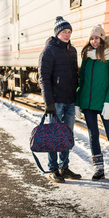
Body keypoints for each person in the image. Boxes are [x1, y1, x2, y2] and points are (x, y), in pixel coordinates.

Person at [75, 24, 109, 185]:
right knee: (93, 136)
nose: (94, 41)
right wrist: (78, 102)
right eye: (91, 38)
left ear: (102, 38)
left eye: (97, 38)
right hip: (88, 103)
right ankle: (99, 169)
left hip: (105, 102)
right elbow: (82, 80)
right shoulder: (86, 55)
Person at [38, 16, 81, 183]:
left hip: (70, 101)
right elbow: (44, 78)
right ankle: (53, 169)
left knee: (66, 136)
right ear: (57, 33)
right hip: (56, 102)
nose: (67, 34)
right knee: (54, 136)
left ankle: (64, 167)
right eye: (64, 32)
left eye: (69, 32)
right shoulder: (49, 51)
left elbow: (75, 76)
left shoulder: (72, 51)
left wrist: (76, 99)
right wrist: (48, 103)